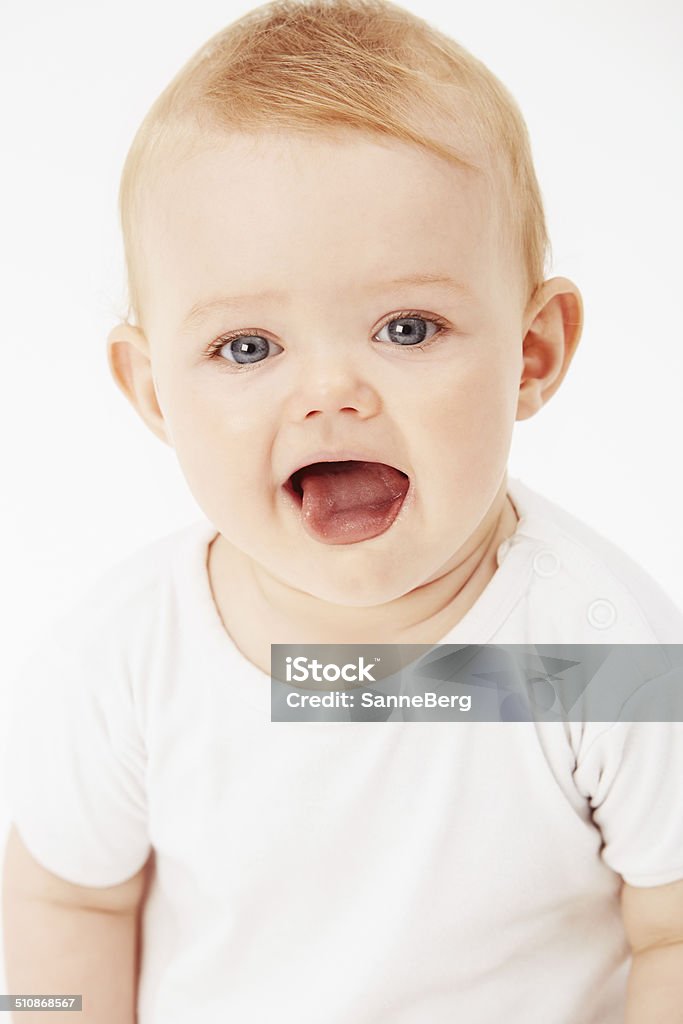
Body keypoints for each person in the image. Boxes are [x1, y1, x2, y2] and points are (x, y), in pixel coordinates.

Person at [3, 1, 683, 1021]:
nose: (329, 392)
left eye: (406, 327)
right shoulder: (129, 655)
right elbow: (64, 899)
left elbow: (668, 926)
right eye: (247, 347)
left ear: (531, 353)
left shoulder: (595, 653)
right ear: (151, 392)